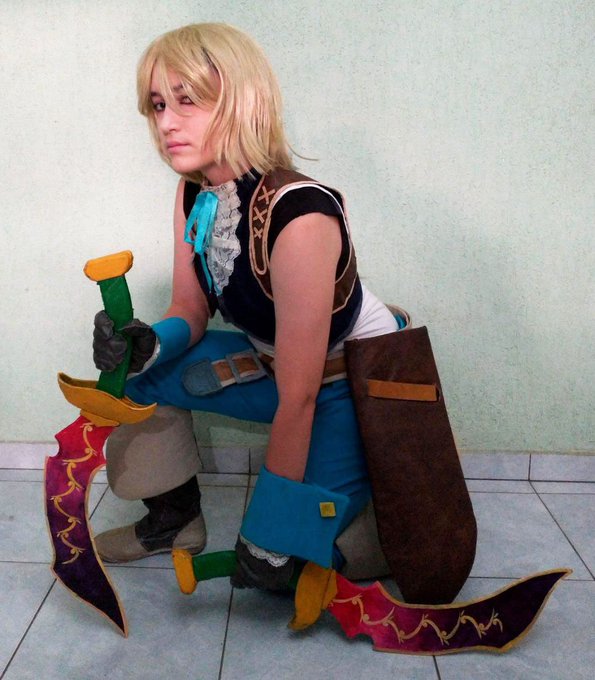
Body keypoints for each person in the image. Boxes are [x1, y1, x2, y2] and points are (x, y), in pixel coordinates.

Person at [92, 23, 473, 595]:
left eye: (187, 100)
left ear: (243, 100)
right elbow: (190, 309)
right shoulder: (195, 192)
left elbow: (301, 395)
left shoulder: (301, 216)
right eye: (159, 104)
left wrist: (271, 532)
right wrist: (149, 344)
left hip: (347, 385)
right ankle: (175, 520)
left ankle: (363, 518)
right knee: (137, 377)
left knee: (288, 566)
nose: (167, 122)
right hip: (273, 366)